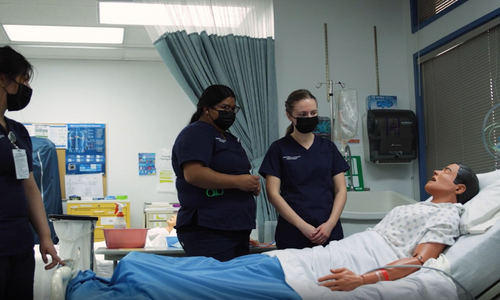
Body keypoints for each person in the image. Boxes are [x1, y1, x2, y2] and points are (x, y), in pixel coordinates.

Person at [64, 163, 479, 300]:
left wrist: (365, 280)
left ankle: (104, 287)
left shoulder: (446, 216)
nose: (437, 170)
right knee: (212, 270)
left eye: (447, 171)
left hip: (334, 272)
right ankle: (122, 275)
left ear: (458, 189)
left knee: (210, 284)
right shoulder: (422, 205)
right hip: (321, 257)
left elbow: (421, 260)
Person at [0, 46, 63, 300]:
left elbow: (30, 187)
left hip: (20, 243)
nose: (25, 88)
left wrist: (45, 236)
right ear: (3, 79)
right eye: (22, 80)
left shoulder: (17, 132)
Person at [171, 84, 260, 262]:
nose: (230, 113)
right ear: (206, 109)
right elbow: (194, 174)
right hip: (208, 228)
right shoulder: (196, 133)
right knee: (215, 286)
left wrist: (250, 185)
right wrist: (238, 182)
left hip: (234, 228)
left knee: (234, 286)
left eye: (233, 109)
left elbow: (238, 173)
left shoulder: (231, 139)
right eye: (225, 108)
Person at [259, 89, 350, 249]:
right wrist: (302, 226)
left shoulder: (328, 148)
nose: (309, 118)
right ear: (289, 116)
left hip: (328, 230)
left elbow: (341, 190)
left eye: (313, 113)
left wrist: (330, 224)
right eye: (302, 115)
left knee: (331, 273)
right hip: (293, 231)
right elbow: (273, 194)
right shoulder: (279, 149)